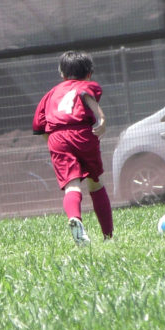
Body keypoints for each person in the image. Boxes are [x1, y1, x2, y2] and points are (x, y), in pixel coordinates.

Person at [32, 50, 114, 245]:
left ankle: (75, 219)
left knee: (71, 185)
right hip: (83, 134)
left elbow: (39, 125)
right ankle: (108, 236)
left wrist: (54, 144)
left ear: (62, 74)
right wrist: (102, 120)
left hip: (57, 137)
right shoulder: (86, 86)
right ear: (89, 73)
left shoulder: (50, 94)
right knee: (95, 183)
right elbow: (89, 99)